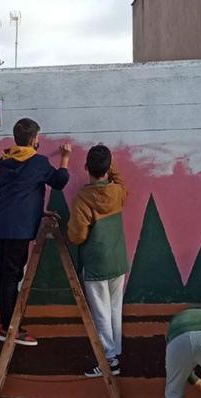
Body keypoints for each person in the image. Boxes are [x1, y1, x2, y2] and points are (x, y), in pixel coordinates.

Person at [0, 118, 71, 346]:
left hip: (1, 223)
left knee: (6, 275)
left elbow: (20, 193)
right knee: (11, 276)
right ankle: (9, 328)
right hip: (18, 228)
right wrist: (65, 159)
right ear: (35, 140)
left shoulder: (5, 160)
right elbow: (59, 181)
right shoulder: (38, 162)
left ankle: (7, 324)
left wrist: (38, 212)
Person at [67, 144, 129, 378]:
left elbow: (77, 236)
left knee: (101, 312)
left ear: (86, 168)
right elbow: (120, 181)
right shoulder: (118, 192)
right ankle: (116, 353)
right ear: (108, 167)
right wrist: (107, 161)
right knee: (114, 309)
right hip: (118, 261)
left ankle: (109, 360)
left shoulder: (83, 199)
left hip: (96, 264)